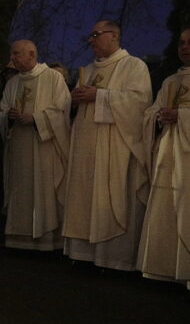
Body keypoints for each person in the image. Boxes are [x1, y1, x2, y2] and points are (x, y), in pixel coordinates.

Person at [62, 20, 151, 271]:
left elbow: (139, 103)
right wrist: (75, 100)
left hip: (114, 147)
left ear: (114, 36)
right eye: (90, 35)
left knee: (111, 197)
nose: (90, 40)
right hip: (85, 146)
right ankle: (83, 254)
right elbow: (72, 108)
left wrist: (98, 96)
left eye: (96, 34)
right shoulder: (88, 69)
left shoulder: (134, 66)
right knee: (84, 196)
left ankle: (113, 259)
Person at [0, 40, 70, 251]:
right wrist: (7, 117)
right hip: (19, 147)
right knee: (20, 191)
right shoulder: (12, 83)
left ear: (31, 55)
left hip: (43, 147)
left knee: (43, 190)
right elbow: (2, 111)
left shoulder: (53, 78)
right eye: (12, 54)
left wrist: (36, 119)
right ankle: (19, 240)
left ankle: (46, 242)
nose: (12, 58)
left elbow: (62, 111)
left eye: (16, 54)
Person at [137, 26, 190, 289]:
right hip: (168, 154)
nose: (185, 47)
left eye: (189, 42)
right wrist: (158, 117)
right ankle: (163, 268)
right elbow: (151, 113)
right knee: (167, 208)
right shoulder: (170, 81)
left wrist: (181, 116)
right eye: (181, 42)